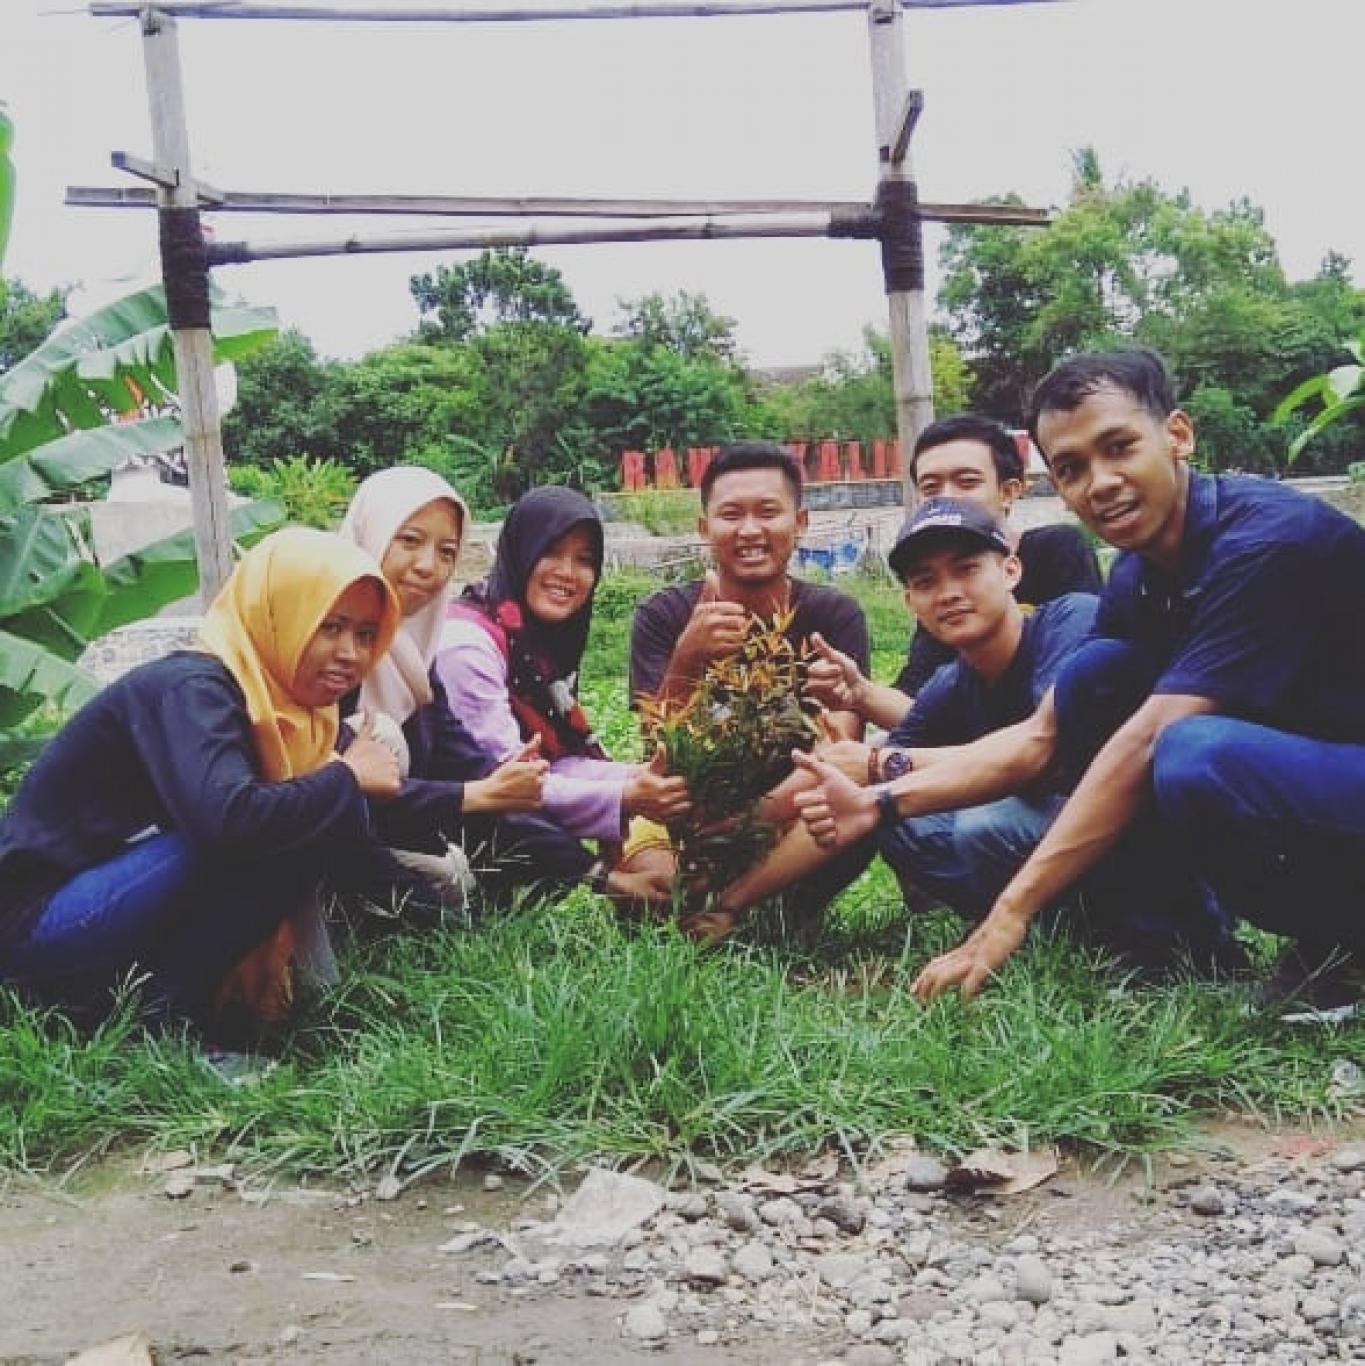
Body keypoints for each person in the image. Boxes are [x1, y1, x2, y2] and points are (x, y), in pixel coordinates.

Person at [795, 346, 1365, 1004]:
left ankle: (1340, 944)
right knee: (1099, 677)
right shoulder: (1137, 576)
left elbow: (1145, 740)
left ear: (1177, 435)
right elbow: (1043, 736)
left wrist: (1011, 910)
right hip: (1310, 771)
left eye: (1119, 448)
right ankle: (1166, 941)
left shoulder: (1265, 542)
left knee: (1192, 755)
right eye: (1071, 468)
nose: (1100, 482)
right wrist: (879, 802)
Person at [0, 527, 404, 1035]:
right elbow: (229, 821)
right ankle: (165, 1024)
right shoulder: (194, 690)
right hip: (32, 927)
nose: (351, 652)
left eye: (365, 635)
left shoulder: (289, 709)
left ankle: (172, 1008)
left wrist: (442, 907)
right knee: (286, 821)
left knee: (314, 809)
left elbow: (349, 829)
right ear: (280, 613)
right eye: (331, 627)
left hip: (106, 896)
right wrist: (345, 776)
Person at [711, 497, 1098, 929]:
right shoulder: (951, 684)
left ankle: (1086, 924)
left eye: (966, 569)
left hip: (1110, 823)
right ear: (911, 601)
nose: (948, 593)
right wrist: (730, 896)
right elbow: (857, 783)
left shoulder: (1072, 620)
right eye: (926, 582)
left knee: (983, 824)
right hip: (1042, 835)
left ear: (1011, 570)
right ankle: (1028, 919)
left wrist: (881, 763)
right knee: (899, 824)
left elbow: (1047, 754)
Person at [629, 440, 872, 936]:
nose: (749, 531)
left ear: (800, 523)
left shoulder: (833, 617)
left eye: (767, 512)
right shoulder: (664, 615)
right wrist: (686, 659)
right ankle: (695, 896)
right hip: (689, 815)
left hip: (786, 814)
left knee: (854, 799)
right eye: (731, 515)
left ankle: (752, 904)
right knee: (647, 884)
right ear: (704, 528)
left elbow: (839, 748)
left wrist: (759, 816)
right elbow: (657, 750)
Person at [436, 485, 686, 903]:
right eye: (550, 552)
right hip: (448, 829)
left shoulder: (532, 640)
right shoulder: (468, 645)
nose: (567, 572)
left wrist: (635, 780)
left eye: (585, 559)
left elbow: (556, 762)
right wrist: (625, 796)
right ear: (520, 552)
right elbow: (506, 781)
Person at [337, 466, 574, 900]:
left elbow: (463, 760)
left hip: (394, 829)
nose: (429, 566)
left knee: (490, 866)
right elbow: (328, 792)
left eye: (447, 552)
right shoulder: (327, 654)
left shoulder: (414, 656)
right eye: (409, 541)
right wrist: (475, 795)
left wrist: (595, 873)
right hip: (323, 846)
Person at [808, 414, 1100, 729]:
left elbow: (1063, 712)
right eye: (931, 487)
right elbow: (918, 709)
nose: (947, 497)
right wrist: (860, 693)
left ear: (1008, 491)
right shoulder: (942, 606)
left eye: (967, 482)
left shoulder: (1057, 554)